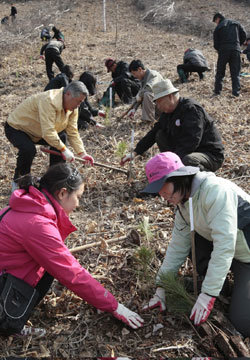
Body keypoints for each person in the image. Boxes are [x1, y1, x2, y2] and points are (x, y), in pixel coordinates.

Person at [0, 163, 144, 337]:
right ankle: (9, 322)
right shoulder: (37, 224)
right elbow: (71, 273)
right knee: (52, 268)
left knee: (48, 268)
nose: (78, 204)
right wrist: (112, 305)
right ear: (62, 193)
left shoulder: (27, 206)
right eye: (78, 196)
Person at [141, 151, 250, 337]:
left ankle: (219, 286)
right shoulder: (183, 203)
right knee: (194, 239)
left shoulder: (215, 191)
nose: (162, 194)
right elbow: (178, 246)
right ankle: (221, 285)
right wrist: (162, 287)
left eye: (163, 186)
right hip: (229, 254)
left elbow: (225, 245)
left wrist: (208, 294)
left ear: (179, 177)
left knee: (242, 323)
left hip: (246, 257)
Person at [4, 81, 94, 192]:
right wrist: (64, 149)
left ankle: (54, 180)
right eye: (78, 101)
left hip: (38, 131)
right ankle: (20, 182)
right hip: (18, 128)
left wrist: (82, 153)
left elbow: (72, 131)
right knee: (28, 150)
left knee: (62, 137)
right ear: (68, 94)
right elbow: (48, 132)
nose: (79, 105)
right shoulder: (49, 100)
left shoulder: (73, 108)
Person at [121, 79, 224, 172]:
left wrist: (172, 162)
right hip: (187, 152)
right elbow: (153, 133)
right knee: (160, 135)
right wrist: (135, 152)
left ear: (170, 96)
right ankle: (176, 170)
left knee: (189, 160)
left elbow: (191, 141)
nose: (158, 106)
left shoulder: (191, 109)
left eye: (159, 101)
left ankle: (203, 176)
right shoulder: (167, 113)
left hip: (208, 154)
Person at [213, 12, 246, 97]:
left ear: (218, 19)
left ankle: (217, 92)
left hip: (223, 50)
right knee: (235, 73)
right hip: (236, 49)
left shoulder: (218, 27)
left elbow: (216, 44)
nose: (216, 23)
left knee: (220, 72)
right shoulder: (236, 23)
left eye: (215, 21)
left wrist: (220, 49)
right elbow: (244, 35)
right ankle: (236, 93)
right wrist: (238, 45)